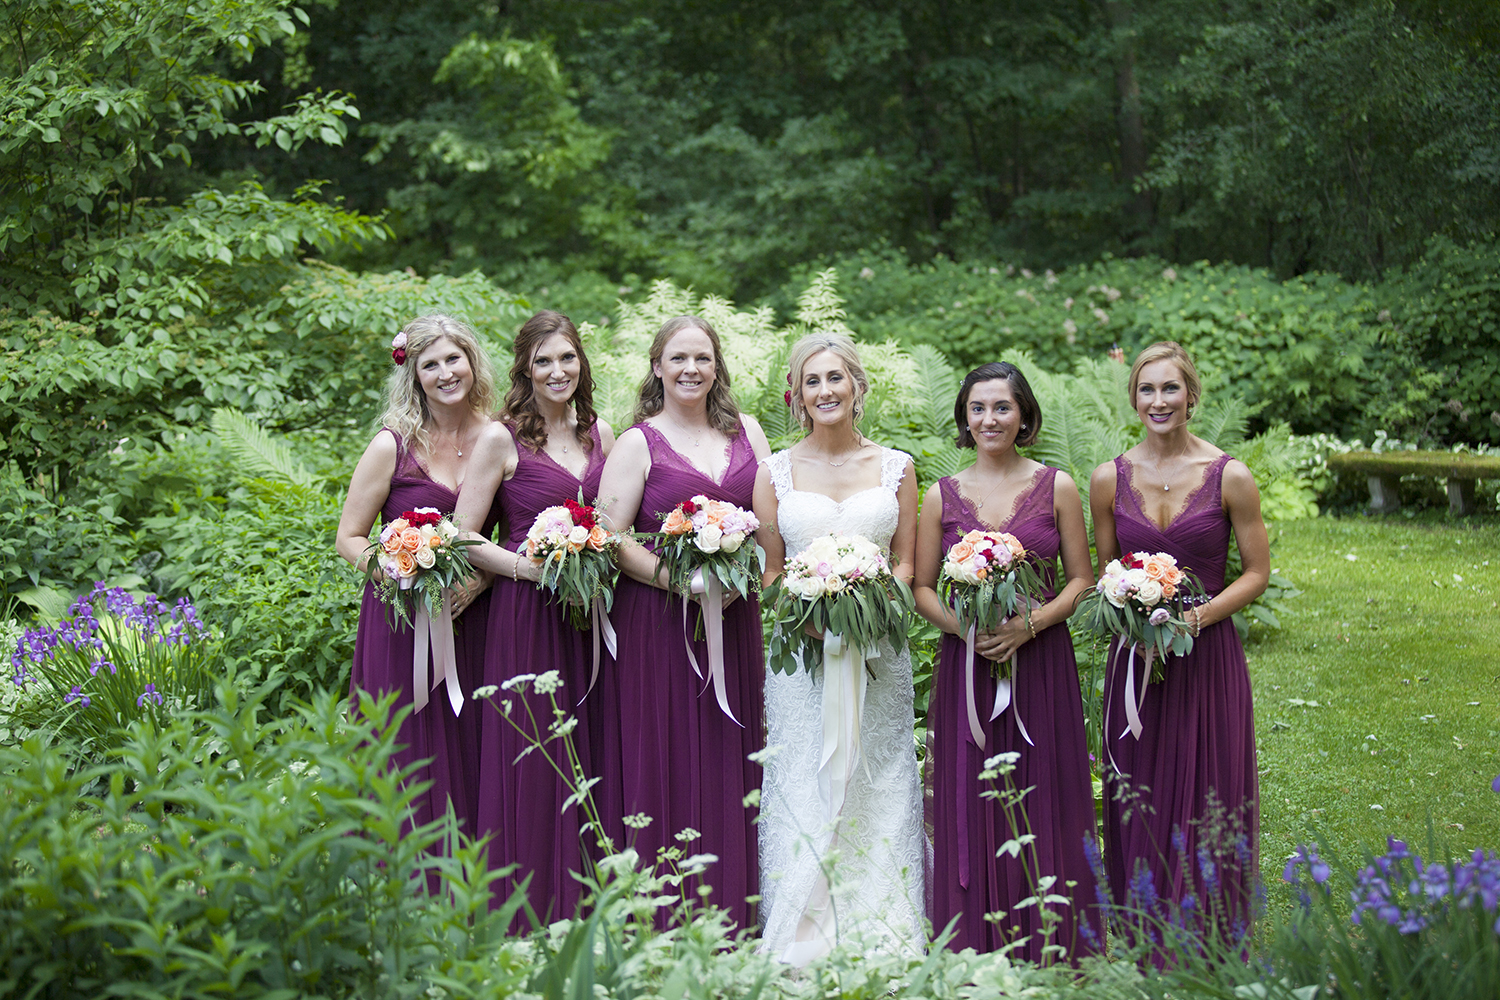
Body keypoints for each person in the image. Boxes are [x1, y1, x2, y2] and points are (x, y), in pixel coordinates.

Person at [913, 362, 1100, 961]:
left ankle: (1052, 936)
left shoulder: (1058, 486)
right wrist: (968, 631)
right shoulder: (939, 495)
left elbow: (1080, 581)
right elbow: (920, 588)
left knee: (1045, 788)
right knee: (973, 790)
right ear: (964, 419)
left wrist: (1029, 625)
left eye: (1002, 407)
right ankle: (975, 934)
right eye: (978, 408)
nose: (989, 419)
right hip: (967, 667)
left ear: (1024, 416)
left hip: (1041, 662)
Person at [593, 315, 771, 929]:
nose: (690, 368)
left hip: (735, 613)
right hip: (659, 618)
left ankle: (735, 905)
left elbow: (770, 522)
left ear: (716, 366)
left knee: (733, 747)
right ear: (657, 368)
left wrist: (748, 577)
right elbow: (610, 536)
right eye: (678, 358)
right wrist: (683, 582)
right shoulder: (638, 442)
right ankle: (665, 908)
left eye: (702, 357)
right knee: (663, 746)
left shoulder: (748, 431)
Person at [753, 333, 925, 964]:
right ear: (796, 396)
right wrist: (810, 615)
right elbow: (771, 573)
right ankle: (802, 923)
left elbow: (907, 561)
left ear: (857, 385)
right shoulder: (774, 472)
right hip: (803, 657)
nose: (824, 391)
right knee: (805, 771)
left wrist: (872, 606)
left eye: (835, 379)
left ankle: (885, 921)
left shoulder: (896, 468)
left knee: (876, 774)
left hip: (879, 650)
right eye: (811, 382)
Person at [1090, 341, 1268, 937]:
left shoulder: (1230, 476)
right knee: (1137, 783)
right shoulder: (1108, 479)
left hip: (1205, 650)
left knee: (1209, 782)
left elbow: (1256, 573)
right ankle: (1142, 921)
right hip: (1135, 656)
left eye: (1171, 389)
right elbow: (1106, 572)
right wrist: (1128, 621)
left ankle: (1210, 925)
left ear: (1191, 395)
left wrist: (1196, 619)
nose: (1159, 400)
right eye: (1147, 389)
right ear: (1134, 398)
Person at [451, 310, 614, 926]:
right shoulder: (501, 438)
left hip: (590, 609)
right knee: (534, 748)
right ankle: (528, 907)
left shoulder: (601, 433)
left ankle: (589, 896)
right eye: (543, 360)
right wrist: (529, 568)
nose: (557, 371)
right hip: (525, 614)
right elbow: (462, 535)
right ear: (524, 368)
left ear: (582, 363)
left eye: (567, 357)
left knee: (588, 745)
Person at [336, 314, 500, 841]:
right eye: (432, 364)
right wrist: (401, 575)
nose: (446, 373)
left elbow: (516, 531)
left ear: (472, 361)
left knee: (474, 745)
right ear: (415, 374)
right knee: (408, 746)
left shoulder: (500, 438)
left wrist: (484, 581)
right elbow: (350, 538)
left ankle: (479, 884)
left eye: (454, 359)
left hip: (475, 616)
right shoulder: (393, 445)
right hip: (401, 622)